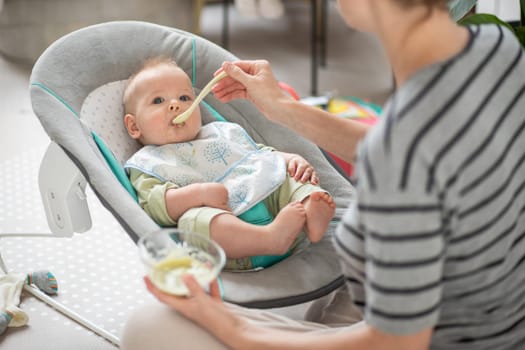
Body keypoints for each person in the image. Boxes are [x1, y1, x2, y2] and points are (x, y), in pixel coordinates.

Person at [121, 0, 525, 348]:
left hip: (422, 336)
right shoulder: (499, 50)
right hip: (483, 317)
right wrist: (282, 108)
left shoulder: (401, 159)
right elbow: (418, 146)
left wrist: (235, 330)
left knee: (149, 329)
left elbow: (397, 344)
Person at [122, 56, 336, 270]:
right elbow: (154, 205)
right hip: (232, 243)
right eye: (158, 101)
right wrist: (199, 195)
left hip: (278, 210)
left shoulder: (220, 132)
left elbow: (256, 155)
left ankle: (311, 212)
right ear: (134, 126)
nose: (175, 105)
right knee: (194, 221)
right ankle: (268, 239)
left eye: (185, 97)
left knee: (291, 177)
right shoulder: (148, 163)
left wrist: (289, 159)